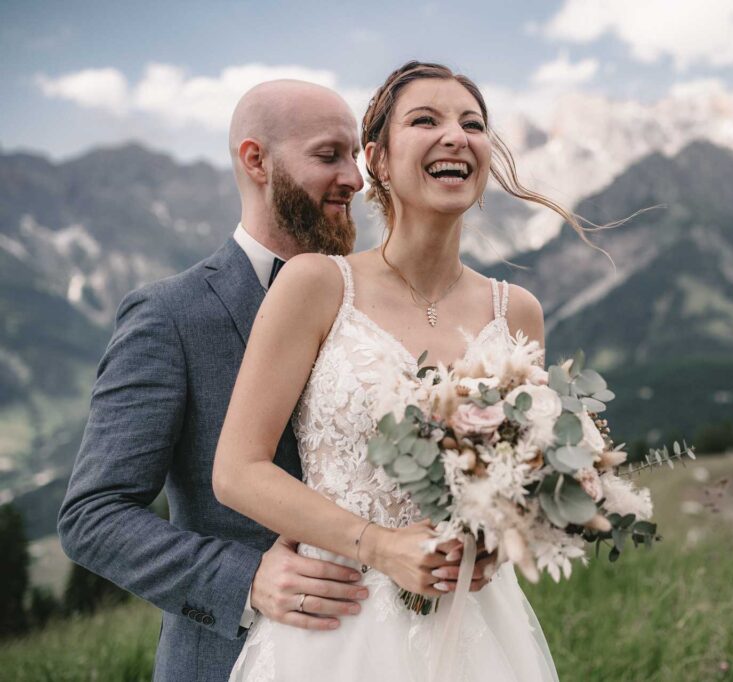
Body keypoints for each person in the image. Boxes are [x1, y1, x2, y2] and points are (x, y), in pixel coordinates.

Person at [57, 80, 472, 681]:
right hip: (232, 661)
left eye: (356, 157)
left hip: (406, 648)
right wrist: (244, 578)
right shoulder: (170, 315)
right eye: (329, 157)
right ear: (256, 161)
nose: (355, 180)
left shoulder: (384, 304)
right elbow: (91, 515)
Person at [213, 61, 600, 681]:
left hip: (473, 627)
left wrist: (493, 546)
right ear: (380, 162)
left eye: (473, 124)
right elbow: (237, 472)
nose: (456, 135)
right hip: (339, 624)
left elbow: (514, 482)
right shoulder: (316, 284)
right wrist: (379, 545)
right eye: (426, 120)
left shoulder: (517, 312)